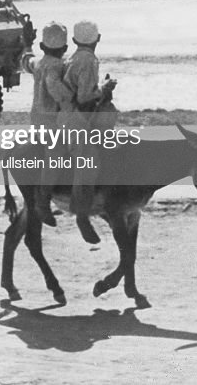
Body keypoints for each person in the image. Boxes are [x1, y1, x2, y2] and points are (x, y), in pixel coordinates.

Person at [60, 20, 117, 244]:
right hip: (75, 120)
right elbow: (84, 97)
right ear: (98, 39)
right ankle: (82, 215)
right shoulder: (89, 60)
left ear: (74, 41)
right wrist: (104, 88)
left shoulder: (73, 58)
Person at [21, 22, 73, 228]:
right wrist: (71, 96)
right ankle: (42, 201)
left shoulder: (39, 63)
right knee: (56, 156)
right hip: (52, 123)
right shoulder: (58, 67)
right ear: (65, 49)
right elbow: (56, 88)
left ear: (42, 47)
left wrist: (27, 44)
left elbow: (26, 61)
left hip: (37, 120)